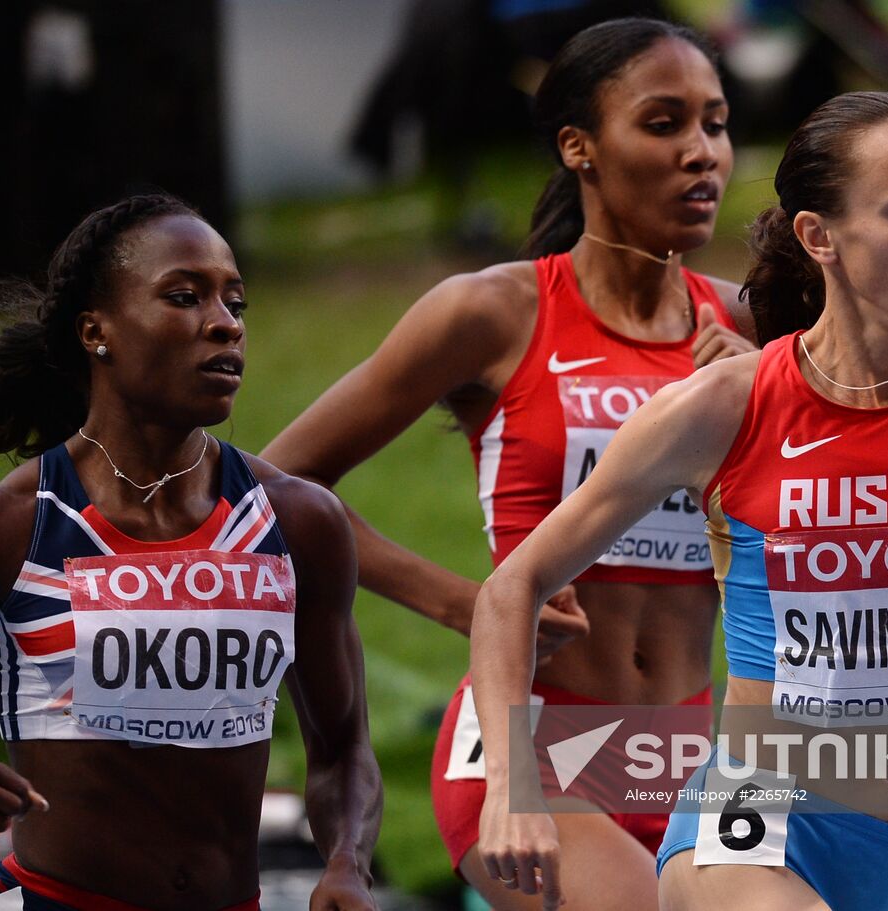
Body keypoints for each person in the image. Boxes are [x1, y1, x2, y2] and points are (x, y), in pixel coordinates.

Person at [467, 90, 888, 911]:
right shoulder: (725, 406)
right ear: (818, 235)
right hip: (758, 814)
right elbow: (513, 586)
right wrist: (510, 783)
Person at [0, 193, 383, 911]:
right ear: (98, 331)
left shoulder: (299, 522)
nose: (224, 324)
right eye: (185, 297)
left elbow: (342, 749)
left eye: (235, 304)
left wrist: (346, 864)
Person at [263, 17, 756, 909]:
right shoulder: (494, 312)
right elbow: (272, 484)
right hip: (526, 747)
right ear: (580, 148)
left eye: (715, 124)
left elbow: (826, 529)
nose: (702, 153)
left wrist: (759, 416)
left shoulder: (749, 332)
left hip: (684, 750)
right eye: (663, 123)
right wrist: (457, 600)